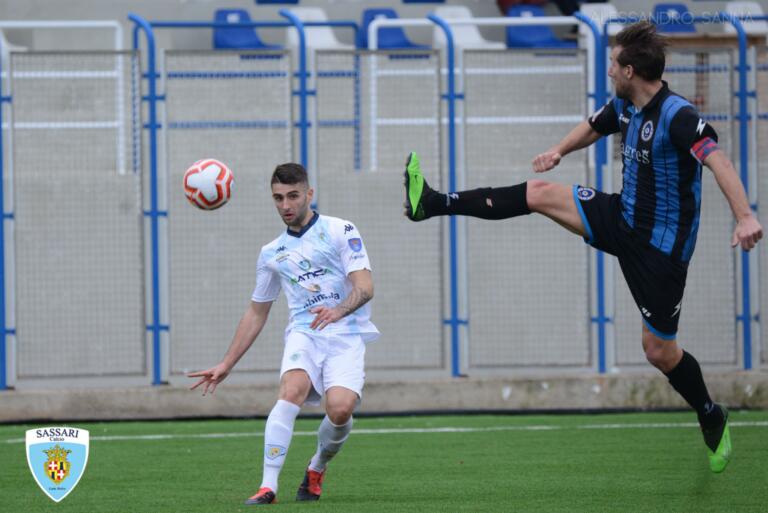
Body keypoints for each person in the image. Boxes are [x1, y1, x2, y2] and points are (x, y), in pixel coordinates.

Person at [402, 21, 762, 473]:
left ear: (629, 70)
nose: (609, 69)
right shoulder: (627, 104)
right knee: (538, 192)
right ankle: (431, 203)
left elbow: (718, 159)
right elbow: (596, 125)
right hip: (621, 217)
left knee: (658, 351)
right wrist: (558, 151)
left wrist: (745, 216)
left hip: (660, 254)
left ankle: (709, 412)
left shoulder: (678, 115)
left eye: (613, 63)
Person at [189, 162, 379, 505]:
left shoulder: (341, 230)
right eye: (278, 198)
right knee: (291, 389)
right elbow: (257, 311)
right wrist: (226, 363)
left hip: (345, 333)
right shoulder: (271, 254)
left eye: (293, 196)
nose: (286, 205)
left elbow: (365, 287)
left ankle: (316, 467)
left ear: (309, 194)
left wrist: (337, 310)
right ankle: (268, 486)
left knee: (339, 409)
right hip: (304, 332)